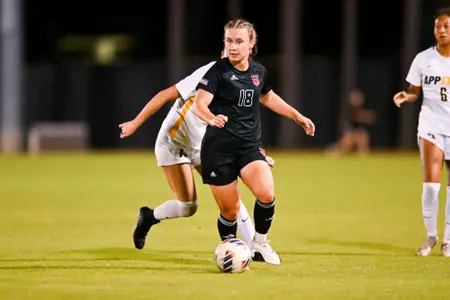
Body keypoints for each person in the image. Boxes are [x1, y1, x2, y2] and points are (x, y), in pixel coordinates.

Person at [119, 51, 277, 262]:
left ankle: (253, 250)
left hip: (204, 145)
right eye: (228, 45)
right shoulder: (211, 72)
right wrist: (135, 123)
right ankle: (148, 216)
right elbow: (165, 95)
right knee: (188, 207)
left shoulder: (242, 80)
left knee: (230, 195)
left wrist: (254, 155)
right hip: (173, 143)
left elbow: (242, 125)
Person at [193, 19, 315, 265]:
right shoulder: (217, 71)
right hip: (218, 150)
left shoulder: (258, 72)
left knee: (266, 192)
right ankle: (230, 254)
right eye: (229, 41)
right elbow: (199, 104)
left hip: (249, 146)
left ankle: (259, 242)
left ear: (251, 44)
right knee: (230, 211)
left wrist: (298, 117)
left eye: (239, 41)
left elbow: (269, 99)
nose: (233, 47)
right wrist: (211, 117)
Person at [393, 7, 450, 257]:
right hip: (431, 125)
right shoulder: (423, 59)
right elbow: (415, 90)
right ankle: (431, 236)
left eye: (446, 26)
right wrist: (408, 95)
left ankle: (448, 240)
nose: (442, 31)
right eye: (438, 26)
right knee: (431, 186)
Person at [327, 89, 376, 157]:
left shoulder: (360, 108)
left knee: (363, 138)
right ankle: (334, 150)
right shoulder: (350, 108)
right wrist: (366, 116)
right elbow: (357, 117)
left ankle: (362, 156)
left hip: (357, 131)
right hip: (350, 131)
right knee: (346, 146)